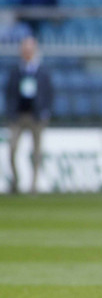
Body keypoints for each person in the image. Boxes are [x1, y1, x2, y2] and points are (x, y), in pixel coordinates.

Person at [6, 36, 53, 194]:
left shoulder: (42, 71)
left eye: (30, 49)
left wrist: (45, 111)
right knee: (12, 149)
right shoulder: (16, 71)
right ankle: (16, 181)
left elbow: (49, 93)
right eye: (25, 49)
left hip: (36, 117)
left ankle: (34, 185)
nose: (27, 52)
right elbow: (9, 93)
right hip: (18, 116)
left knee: (37, 152)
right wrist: (10, 112)